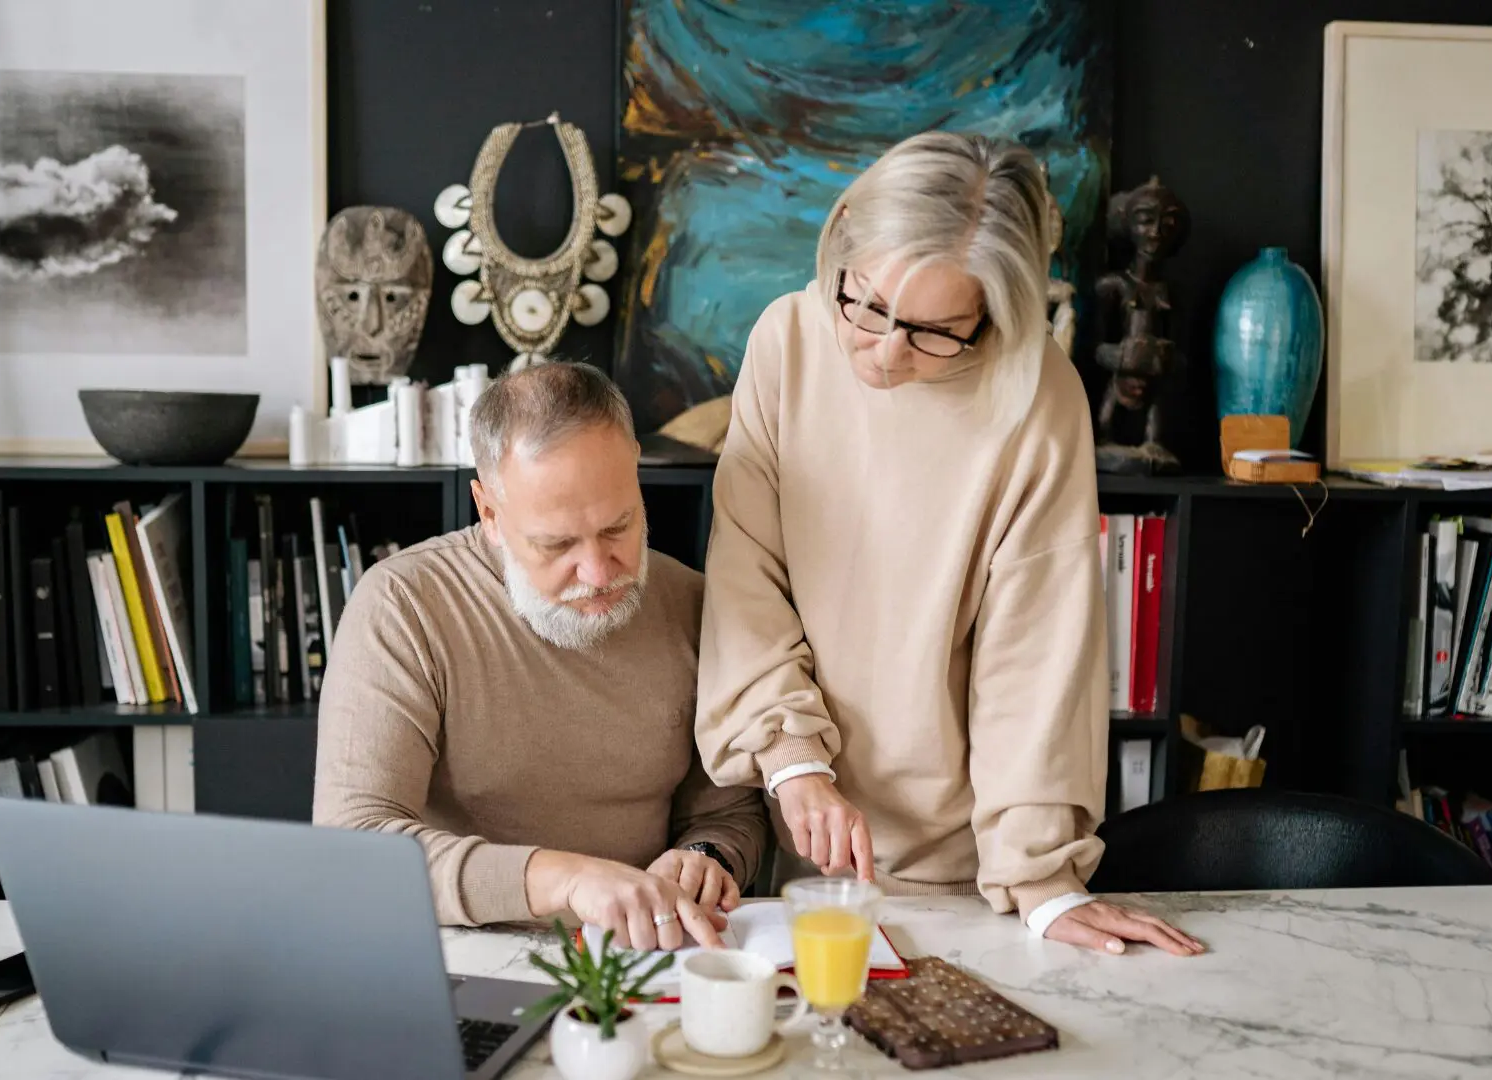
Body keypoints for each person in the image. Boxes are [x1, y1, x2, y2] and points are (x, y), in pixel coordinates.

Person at [694, 131, 1202, 957]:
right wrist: (793, 762)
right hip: (795, 827)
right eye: (865, 305)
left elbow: (1036, 652)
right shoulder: (786, 340)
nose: (887, 353)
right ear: (845, 232)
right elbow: (747, 573)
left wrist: (1041, 883)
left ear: (991, 316)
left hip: (966, 870)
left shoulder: (1038, 394)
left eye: (935, 332)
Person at [314, 361, 768, 952]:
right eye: (557, 544)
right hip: (459, 952)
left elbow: (733, 810)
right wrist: (567, 879)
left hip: (645, 955)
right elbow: (354, 850)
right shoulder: (405, 605)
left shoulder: (692, 604)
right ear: (490, 513)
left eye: (619, 526)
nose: (600, 572)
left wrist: (706, 856)